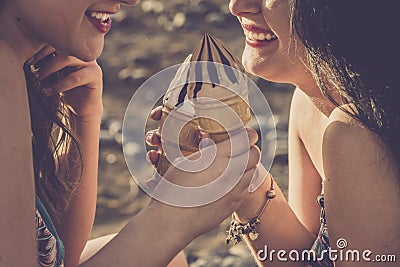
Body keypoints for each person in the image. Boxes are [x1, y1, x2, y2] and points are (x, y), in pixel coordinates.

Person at [0, 0, 261, 266]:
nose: (132, 0)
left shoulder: (16, 64)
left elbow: (56, 255)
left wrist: (83, 115)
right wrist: (173, 218)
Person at [223, 0, 400, 266]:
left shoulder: (357, 133)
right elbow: (305, 258)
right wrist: (245, 182)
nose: (236, 6)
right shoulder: (310, 103)